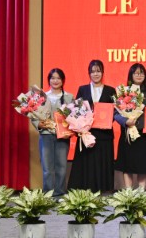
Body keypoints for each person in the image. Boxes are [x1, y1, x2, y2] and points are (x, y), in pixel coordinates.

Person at [68, 59, 117, 192]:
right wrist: (82, 123)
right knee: (86, 162)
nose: (96, 74)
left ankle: (104, 189)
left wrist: (107, 120)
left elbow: (116, 111)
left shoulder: (111, 90)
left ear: (103, 73)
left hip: (104, 134)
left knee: (103, 162)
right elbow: (76, 110)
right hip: (87, 133)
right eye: (93, 71)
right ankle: (84, 189)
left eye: (98, 71)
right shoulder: (82, 89)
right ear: (89, 73)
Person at [31, 68, 73, 197]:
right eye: (53, 78)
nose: (55, 81)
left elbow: (75, 115)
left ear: (63, 80)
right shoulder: (42, 97)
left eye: (58, 78)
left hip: (63, 136)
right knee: (47, 167)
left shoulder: (69, 97)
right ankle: (48, 193)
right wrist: (39, 124)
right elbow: (33, 115)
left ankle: (60, 193)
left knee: (61, 166)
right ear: (49, 80)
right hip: (46, 135)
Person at [114, 63, 146, 188]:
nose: (139, 75)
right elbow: (116, 113)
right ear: (131, 75)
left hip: (143, 133)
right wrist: (125, 121)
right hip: (127, 131)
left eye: (141, 73)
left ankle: (141, 192)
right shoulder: (124, 92)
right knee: (127, 164)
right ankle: (128, 192)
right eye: (136, 73)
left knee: (143, 164)